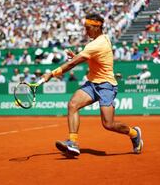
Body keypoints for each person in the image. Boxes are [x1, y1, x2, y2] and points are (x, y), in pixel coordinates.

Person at [40, 13, 143, 156]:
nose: (85, 31)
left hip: (106, 85)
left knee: (108, 124)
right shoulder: (102, 38)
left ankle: (134, 133)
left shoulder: (96, 44)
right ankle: (73, 142)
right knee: (73, 104)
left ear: (97, 27)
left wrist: (51, 74)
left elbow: (73, 64)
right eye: (85, 27)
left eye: (88, 28)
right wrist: (77, 55)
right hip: (92, 84)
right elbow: (90, 57)